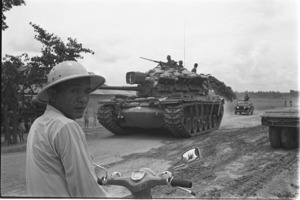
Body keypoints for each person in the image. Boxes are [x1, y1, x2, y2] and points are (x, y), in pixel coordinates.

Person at [26, 61, 107, 197]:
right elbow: (86, 191)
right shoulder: (65, 126)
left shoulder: (38, 123)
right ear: (52, 94)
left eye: (86, 92)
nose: (83, 99)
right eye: (74, 90)